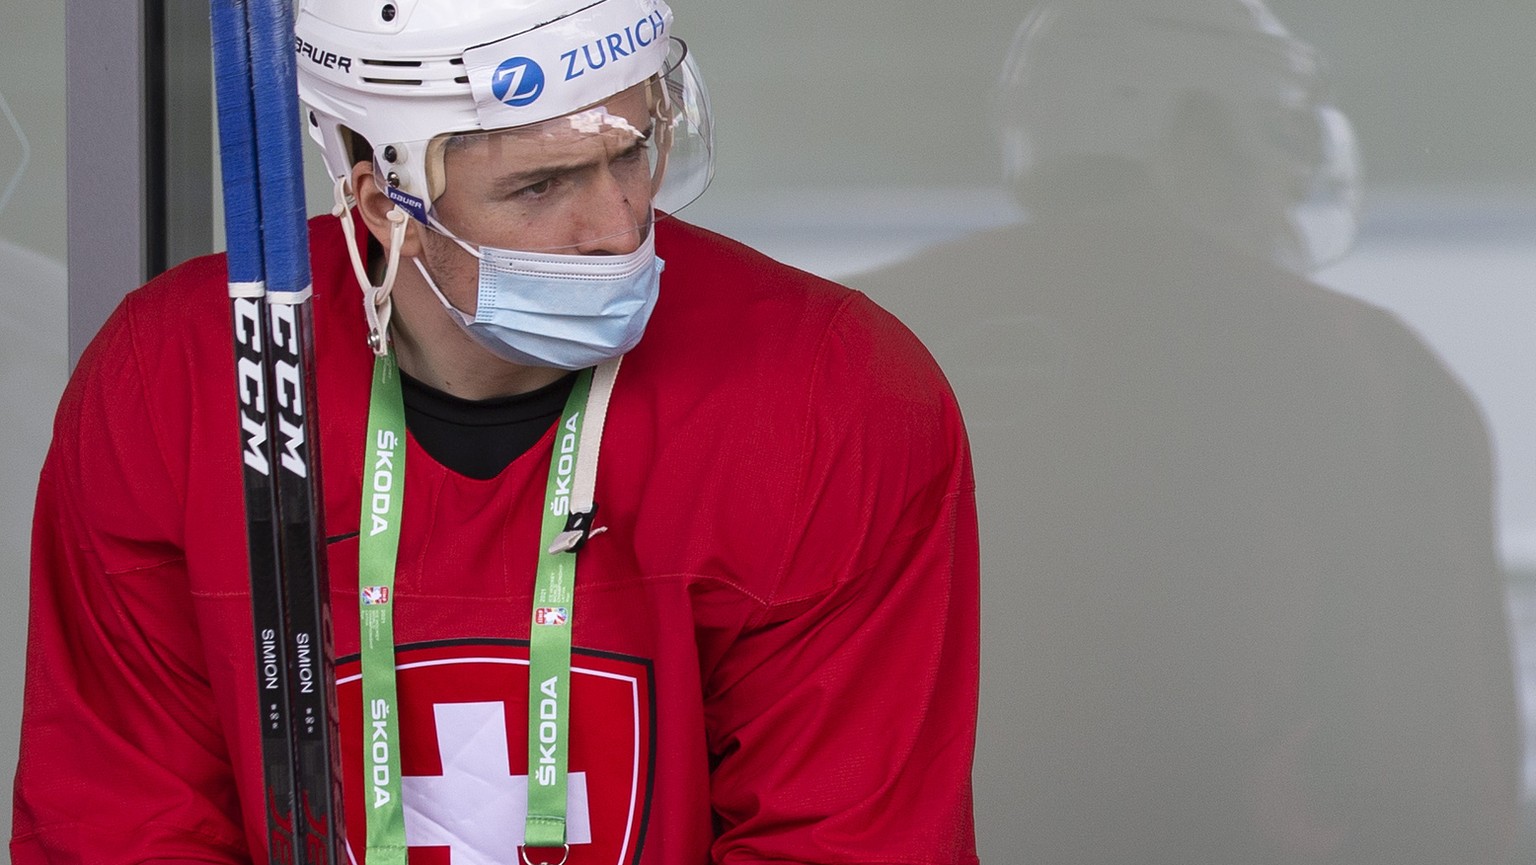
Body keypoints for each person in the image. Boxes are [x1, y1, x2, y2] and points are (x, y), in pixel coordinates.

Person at [11, 2, 980, 864]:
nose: (618, 225)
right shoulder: (175, 387)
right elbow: (122, 826)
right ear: (383, 203)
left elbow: (846, 839)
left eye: (634, 150)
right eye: (541, 185)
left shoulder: (827, 397)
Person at [851, 1, 1519, 863]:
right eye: (1283, 136)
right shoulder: (1361, 369)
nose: (1290, 181)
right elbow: (1441, 784)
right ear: (1201, 130)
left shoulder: (846, 334)